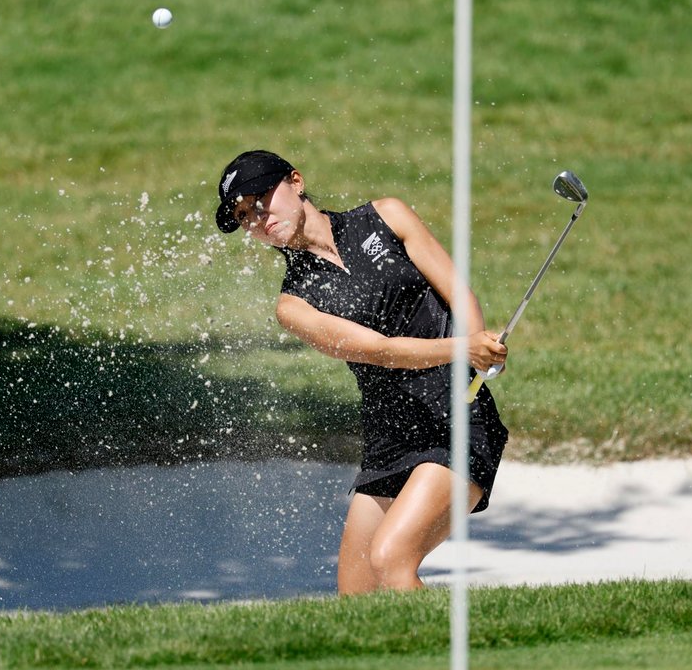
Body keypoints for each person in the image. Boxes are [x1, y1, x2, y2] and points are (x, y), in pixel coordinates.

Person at [214, 150, 509, 594]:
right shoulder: (293, 304)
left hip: (457, 419)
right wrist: (462, 348)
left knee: (391, 560)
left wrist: (477, 350)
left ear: (296, 181)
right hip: (390, 437)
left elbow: (458, 294)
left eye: (260, 199)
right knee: (357, 597)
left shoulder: (386, 216)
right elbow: (381, 351)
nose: (256, 218)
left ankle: (464, 660)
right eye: (242, 216)